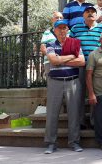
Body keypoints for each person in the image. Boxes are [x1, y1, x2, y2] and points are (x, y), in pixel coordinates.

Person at [44, 19, 85, 154]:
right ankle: (51, 143)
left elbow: (82, 61)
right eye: (59, 28)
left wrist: (61, 59)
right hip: (55, 82)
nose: (62, 31)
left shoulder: (74, 43)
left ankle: (74, 142)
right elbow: (53, 61)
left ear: (68, 30)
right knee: (52, 113)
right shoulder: (50, 44)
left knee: (74, 113)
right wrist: (71, 56)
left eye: (64, 28)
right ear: (55, 31)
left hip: (72, 82)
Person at [70, 6, 102, 128]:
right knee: (79, 94)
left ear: (96, 16)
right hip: (80, 66)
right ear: (83, 15)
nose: (90, 14)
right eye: (87, 12)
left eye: (93, 12)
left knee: (95, 95)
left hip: (97, 67)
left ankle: (93, 121)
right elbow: (70, 46)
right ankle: (80, 121)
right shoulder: (75, 28)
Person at [40, 11, 64, 76]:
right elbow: (43, 48)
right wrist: (52, 57)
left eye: (61, 18)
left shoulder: (68, 32)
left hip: (65, 62)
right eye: (57, 17)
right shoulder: (47, 32)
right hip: (49, 62)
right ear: (52, 20)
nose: (59, 19)